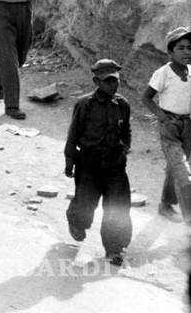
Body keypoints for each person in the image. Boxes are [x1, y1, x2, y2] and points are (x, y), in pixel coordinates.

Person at [64, 59, 133, 266]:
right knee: (85, 204)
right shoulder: (84, 104)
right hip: (89, 163)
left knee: (117, 205)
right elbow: (73, 134)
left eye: (116, 81)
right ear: (96, 81)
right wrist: (69, 160)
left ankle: (114, 248)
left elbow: (126, 131)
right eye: (108, 81)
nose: (113, 85)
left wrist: (124, 149)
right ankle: (76, 221)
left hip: (115, 163)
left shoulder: (122, 104)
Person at [142, 27, 191, 222]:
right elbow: (146, 98)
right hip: (170, 127)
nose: (187, 52)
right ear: (170, 52)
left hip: (187, 125)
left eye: (189, 47)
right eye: (181, 48)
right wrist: (163, 118)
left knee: (174, 168)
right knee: (184, 176)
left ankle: (165, 205)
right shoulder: (163, 73)